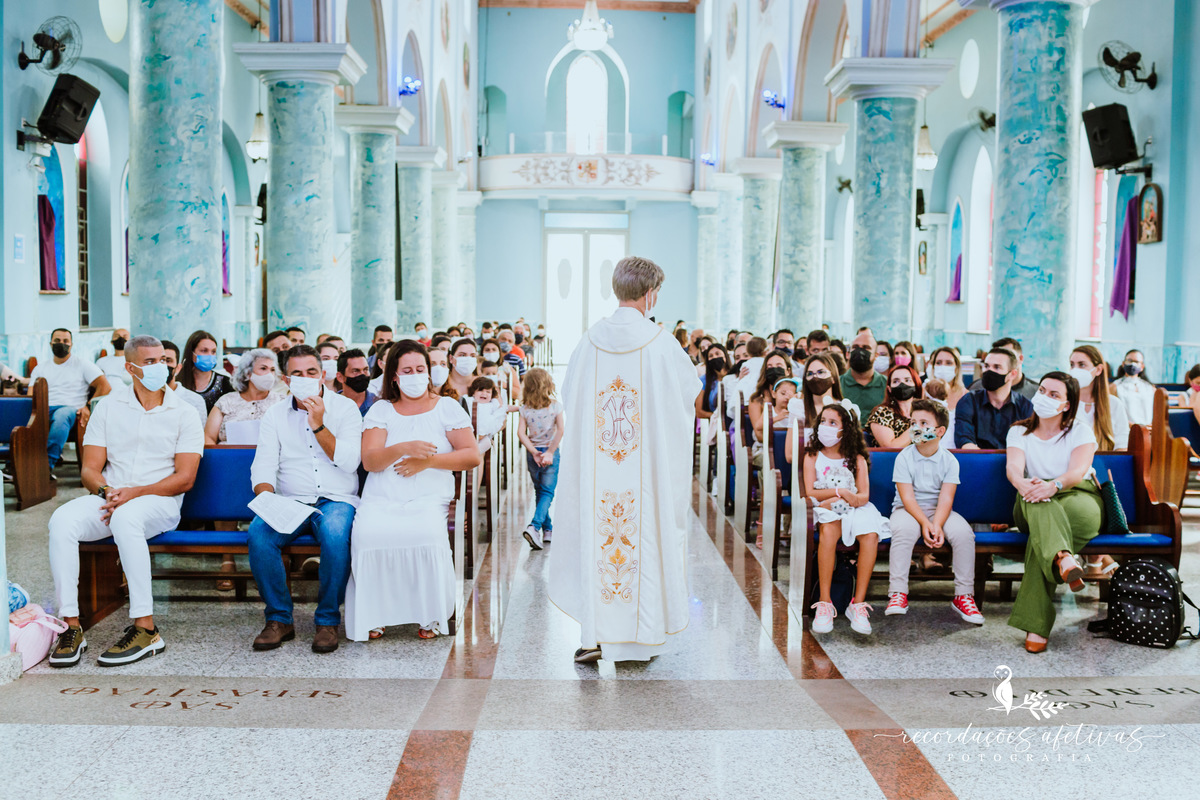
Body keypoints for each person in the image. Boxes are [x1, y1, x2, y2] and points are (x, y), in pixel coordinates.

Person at [549, 256, 698, 663]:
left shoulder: (589, 340)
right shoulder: (660, 342)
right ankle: (641, 638)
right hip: (645, 468)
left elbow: (571, 395)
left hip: (599, 468)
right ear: (650, 293)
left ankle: (594, 637)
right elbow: (687, 394)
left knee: (599, 539)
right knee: (641, 538)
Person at [47, 335, 203, 667]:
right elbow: (90, 469)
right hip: (112, 496)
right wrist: (107, 491)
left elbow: (185, 478)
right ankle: (70, 625)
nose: (161, 367)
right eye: (150, 362)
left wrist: (133, 493)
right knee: (62, 520)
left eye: (163, 360)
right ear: (130, 368)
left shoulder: (184, 412)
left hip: (159, 501)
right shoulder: (108, 407)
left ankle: (146, 629)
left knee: (126, 518)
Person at [345, 340, 481, 641]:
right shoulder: (382, 409)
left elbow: (471, 455)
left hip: (428, 498)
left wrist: (428, 462)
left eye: (420, 369)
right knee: (368, 535)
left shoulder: (446, 407)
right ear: (394, 376)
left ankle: (429, 613)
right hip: (382, 498)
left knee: (426, 535)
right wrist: (403, 447)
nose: (415, 375)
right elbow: (370, 461)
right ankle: (375, 614)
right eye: (407, 371)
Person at [247, 344, 363, 653]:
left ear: (323, 375)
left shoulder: (345, 409)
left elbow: (349, 462)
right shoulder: (275, 414)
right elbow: (264, 464)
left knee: (336, 536)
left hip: (336, 498)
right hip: (291, 500)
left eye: (311, 372)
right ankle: (278, 619)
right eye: (297, 373)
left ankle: (327, 621)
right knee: (259, 535)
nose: (305, 378)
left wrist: (318, 423)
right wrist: (267, 499)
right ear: (286, 380)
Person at [1006, 372, 1101, 653]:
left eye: (1054, 395)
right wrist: (1022, 483)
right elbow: (1013, 467)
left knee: (1042, 540)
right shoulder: (1018, 431)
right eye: (1042, 391)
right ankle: (1063, 557)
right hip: (1032, 498)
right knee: (1036, 498)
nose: (1044, 397)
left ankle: (1036, 625)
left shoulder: (1080, 431)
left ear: (1067, 405)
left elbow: (1078, 471)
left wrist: (1054, 485)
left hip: (1078, 495)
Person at [885, 399, 983, 624]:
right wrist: (925, 523)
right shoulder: (904, 457)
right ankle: (898, 592)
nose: (916, 428)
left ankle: (963, 596)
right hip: (907, 510)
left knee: (964, 534)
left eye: (923, 423)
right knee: (903, 531)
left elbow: (946, 498)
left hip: (939, 511)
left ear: (940, 431)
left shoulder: (950, 461)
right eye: (913, 423)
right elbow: (907, 498)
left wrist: (937, 524)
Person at [805, 403, 889, 635]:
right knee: (828, 531)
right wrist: (839, 492)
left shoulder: (856, 458)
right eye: (823, 421)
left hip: (853, 507)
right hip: (826, 507)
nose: (826, 426)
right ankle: (825, 602)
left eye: (833, 423)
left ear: (846, 429)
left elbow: (863, 496)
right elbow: (810, 491)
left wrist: (847, 498)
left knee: (870, 535)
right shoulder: (812, 455)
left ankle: (858, 603)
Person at [31, 328, 112, 471]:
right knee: (20, 417)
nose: (61, 343)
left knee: (61, 416)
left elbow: (105, 386)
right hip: (44, 409)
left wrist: (88, 406)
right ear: (50, 344)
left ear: (71, 344)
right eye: (57, 340)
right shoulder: (40, 368)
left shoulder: (82, 364)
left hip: (71, 410)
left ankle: (46, 467)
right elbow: (31, 394)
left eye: (65, 341)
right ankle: (16, 465)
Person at [518, 368, 565, 549]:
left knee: (540, 491)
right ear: (548, 385)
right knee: (547, 492)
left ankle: (548, 529)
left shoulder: (525, 409)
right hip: (550, 452)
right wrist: (550, 452)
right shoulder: (555, 406)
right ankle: (534, 526)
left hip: (534, 454)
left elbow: (521, 433)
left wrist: (533, 452)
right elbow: (560, 430)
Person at [954, 348, 1034, 449]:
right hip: (976, 458)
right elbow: (964, 440)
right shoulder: (969, 401)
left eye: (997, 367)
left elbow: (1030, 443)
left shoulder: (1025, 406)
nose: (989, 371)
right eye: (986, 366)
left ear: (1012, 374)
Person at [204, 348, 283, 446]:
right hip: (228, 454)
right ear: (248, 373)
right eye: (263, 368)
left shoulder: (281, 402)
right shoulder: (226, 402)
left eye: (272, 370)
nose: (269, 374)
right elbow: (208, 437)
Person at [785, 353, 860, 456]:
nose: (815, 377)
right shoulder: (798, 407)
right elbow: (790, 455)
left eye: (821, 372)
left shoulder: (847, 409)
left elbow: (853, 450)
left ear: (833, 377)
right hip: (805, 464)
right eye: (810, 374)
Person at [866, 364, 924, 448]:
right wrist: (918, 427)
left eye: (907, 380)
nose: (902, 384)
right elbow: (890, 447)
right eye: (896, 381)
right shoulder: (881, 412)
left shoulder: (925, 411)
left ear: (916, 384)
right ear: (889, 389)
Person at [178, 330, 234, 413]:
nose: (210, 355)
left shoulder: (226, 383)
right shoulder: (178, 382)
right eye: (204, 351)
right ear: (192, 353)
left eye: (213, 351)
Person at [969, 337, 1038, 401]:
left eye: (1009, 354)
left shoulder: (1036, 392)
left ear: (1020, 358)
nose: (1000, 359)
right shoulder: (976, 387)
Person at [160, 340, 209, 425]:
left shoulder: (195, 400)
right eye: (160, 361)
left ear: (178, 368)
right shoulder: (140, 397)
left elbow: (199, 432)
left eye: (168, 361)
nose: (163, 365)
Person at [840, 329, 887, 417]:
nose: (860, 351)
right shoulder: (837, 384)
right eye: (855, 347)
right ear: (848, 354)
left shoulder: (887, 384)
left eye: (866, 348)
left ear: (876, 355)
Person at [1111, 349, 1155, 426]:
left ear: (1142, 366)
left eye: (1136, 362)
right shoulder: (1115, 387)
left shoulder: (1150, 388)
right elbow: (1111, 413)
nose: (1132, 364)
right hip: (1125, 428)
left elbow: (1157, 411)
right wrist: (1132, 426)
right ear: (1123, 364)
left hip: (1148, 429)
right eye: (1129, 361)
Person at [336, 348, 377, 416]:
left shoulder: (378, 404)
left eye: (365, 369)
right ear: (340, 377)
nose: (362, 374)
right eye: (355, 371)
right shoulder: (330, 405)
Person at [696, 344, 730, 420]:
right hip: (715, 422)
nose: (714, 357)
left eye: (717, 354)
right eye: (711, 356)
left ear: (725, 356)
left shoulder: (733, 376)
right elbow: (699, 412)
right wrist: (718, 418)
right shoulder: (703, 380)